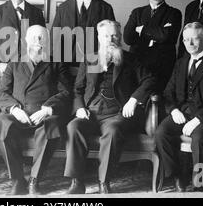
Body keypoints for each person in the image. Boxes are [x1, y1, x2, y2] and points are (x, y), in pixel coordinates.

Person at [64, 20, 156, 194]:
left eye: (114, 35)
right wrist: (79, 108)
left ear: (120, 37)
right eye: (106, 35)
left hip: (117, 113)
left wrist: (133, 100)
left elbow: (150, 80)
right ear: (99, 37)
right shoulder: (89, 58)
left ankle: (103, 181)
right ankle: (77, 182)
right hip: (91, 111)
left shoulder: (131, 59)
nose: (110, 39)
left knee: (113, 130)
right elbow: (78, 89)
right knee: (73, 126)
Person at [0, 25, 70, 195]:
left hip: (43, 113)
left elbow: (65, 92)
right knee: (1, 124)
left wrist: (47, 109)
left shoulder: (56, 64)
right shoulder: (15, 63)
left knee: (51, 126)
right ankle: (18, 180)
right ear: (26, 40)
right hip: (19, 112)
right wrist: (14, 109)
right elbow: (2, 93)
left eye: (42, 38)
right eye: (34, 37)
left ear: (47, 41)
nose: (38, 42)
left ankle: (35, 179)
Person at [155, 22, 203, 192]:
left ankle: (200, 184)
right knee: (161, 133)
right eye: (185, 40)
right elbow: (168, 93)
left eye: (194, 39)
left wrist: (198, 119)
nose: (189, 44)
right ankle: (177, 177)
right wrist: (174, 110)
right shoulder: (181, 63)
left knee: (199, 138)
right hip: (183, 113)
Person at [124, 0, 182, 92]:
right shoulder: (137, 12)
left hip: (162, 65)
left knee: (159, 100)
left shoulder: (174, 13)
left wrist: (142, 29)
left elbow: (167, 36)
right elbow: (128, 38)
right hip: (138, 63)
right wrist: (158, 32)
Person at [52, 0, 115, 69]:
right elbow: (54, 42)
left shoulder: (105, 8)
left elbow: (112, 42)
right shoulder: (63, 8)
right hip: (67, 68)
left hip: (95, 68)